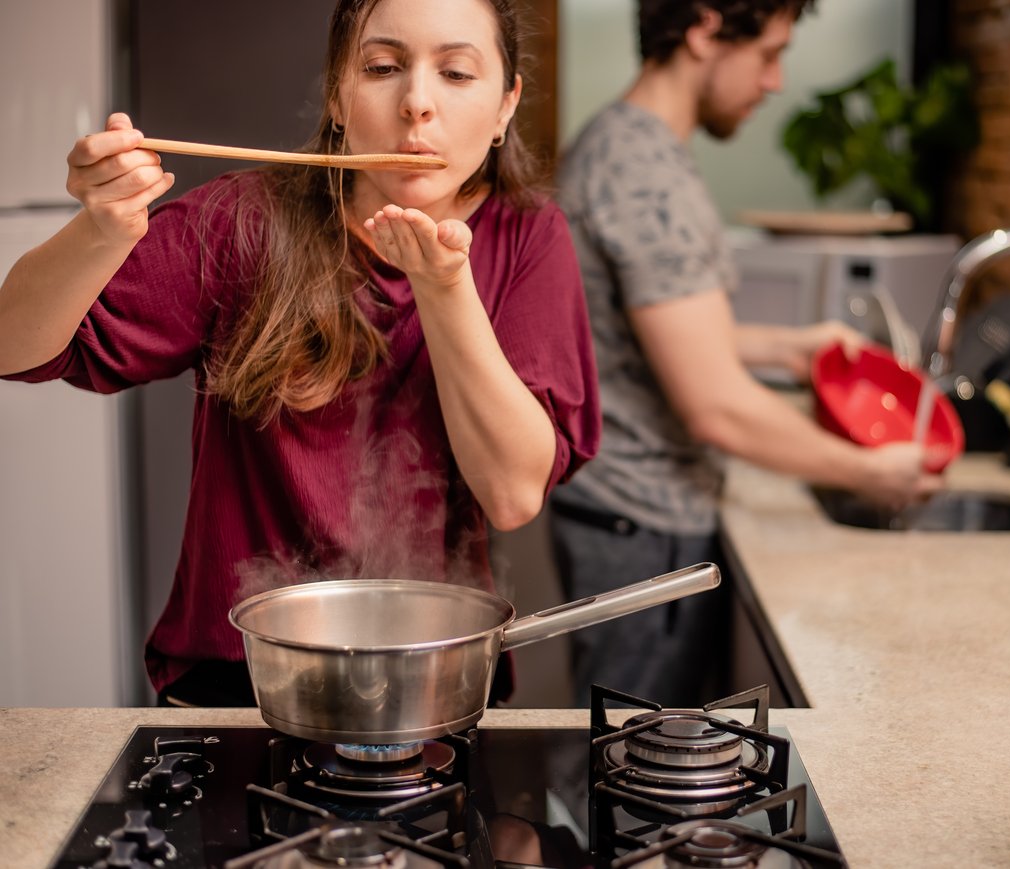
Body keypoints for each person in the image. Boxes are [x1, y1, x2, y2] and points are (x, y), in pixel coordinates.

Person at [0, 0, 599, 707]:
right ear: (339, 97)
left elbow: (510, 492)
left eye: (456, 72)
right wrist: (100, 230)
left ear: (506, 107)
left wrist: (443, 287)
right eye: (381, 67)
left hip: (436, 683)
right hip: (238, 682)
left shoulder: (529, 237)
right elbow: (16, 346)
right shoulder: (242, 223)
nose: (416, 105)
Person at [551, 0, 944, 706]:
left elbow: (660, 336)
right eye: (767, 53)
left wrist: (790, 348)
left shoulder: (624, 143)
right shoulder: (645, 175)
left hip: (626, 516)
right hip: (644, 526)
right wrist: (866, 470)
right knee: (634, 774)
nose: (774, 82)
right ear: (703, 28)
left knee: (629, 762)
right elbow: (715, 407)